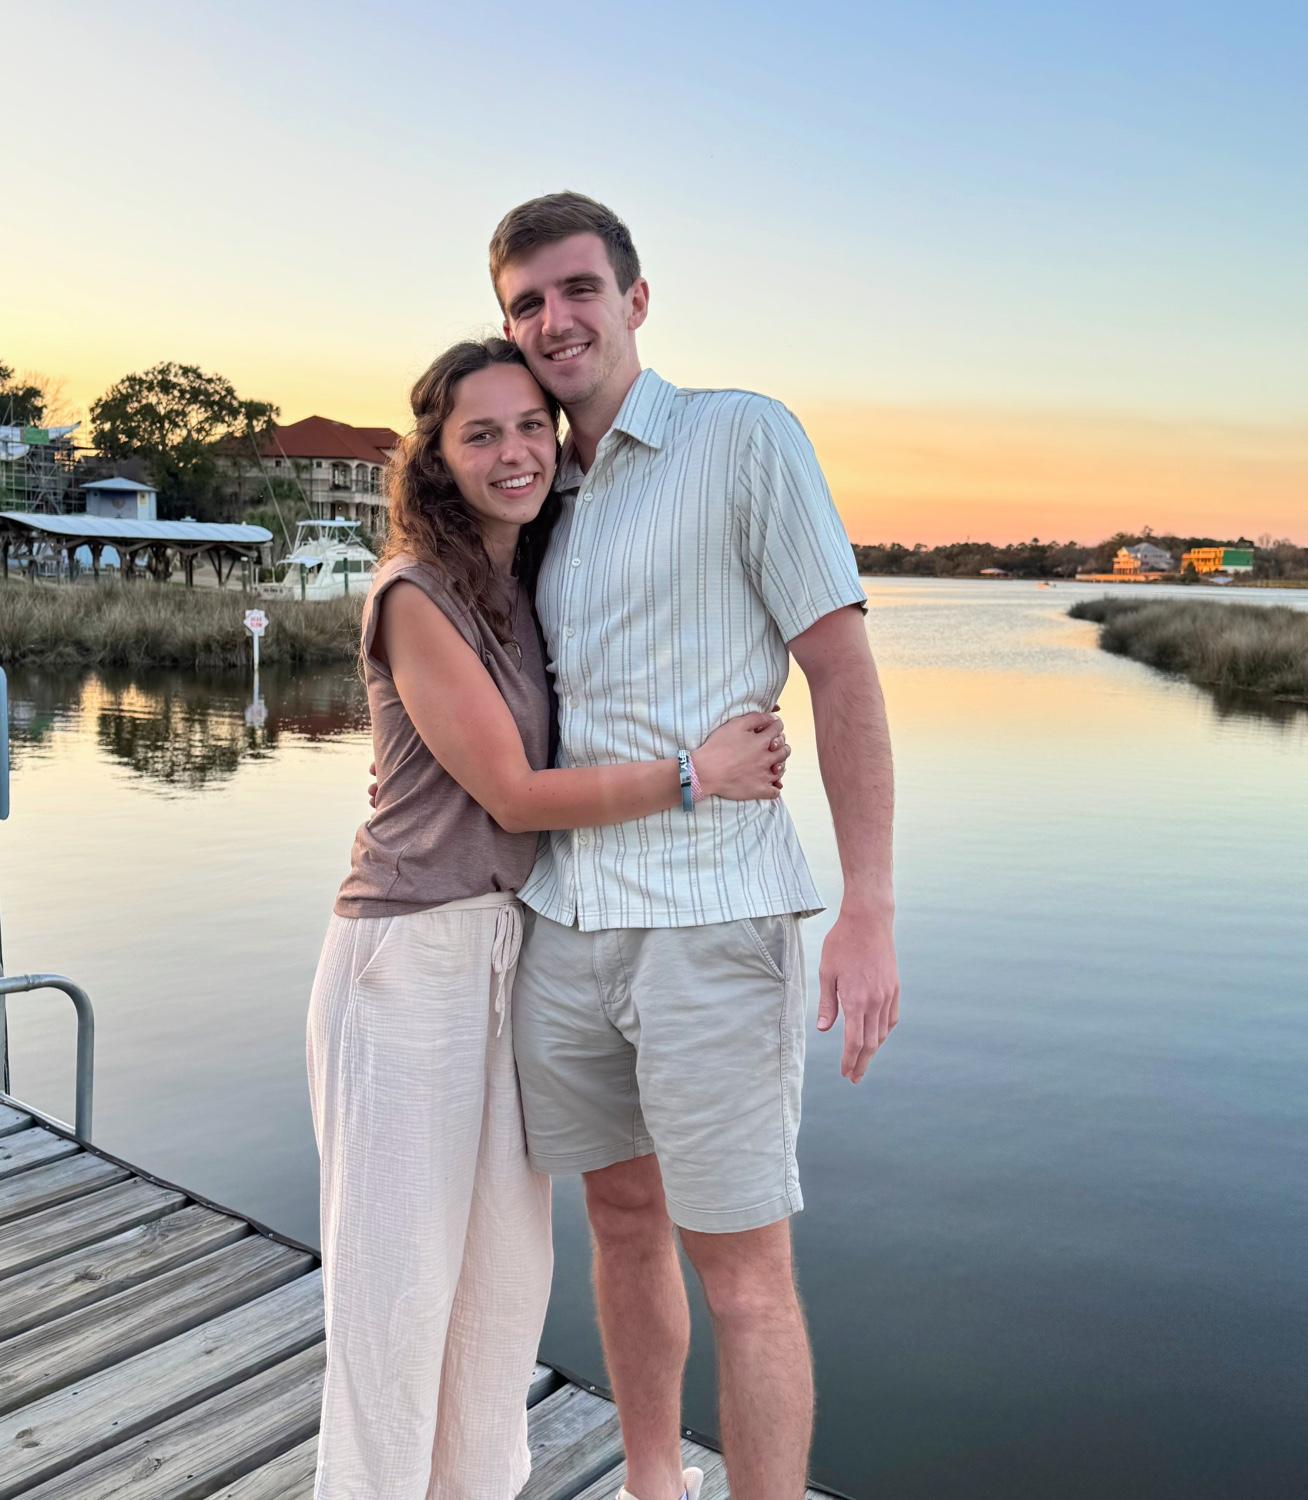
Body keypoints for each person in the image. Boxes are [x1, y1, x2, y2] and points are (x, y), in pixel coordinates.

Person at [307, 336, 793, 1500]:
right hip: (407, 957)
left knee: (500, 1285)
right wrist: (698, 775)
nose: (516, 451)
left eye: (532, 425)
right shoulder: (417, 594)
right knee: (396, 1292)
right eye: (482, 434)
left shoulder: (518, 584)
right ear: (437, 457)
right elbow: (516, 796)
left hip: (506, 948)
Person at [488, 193, 901, 1500]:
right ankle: (652, 1481)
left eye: (577, 289)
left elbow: (841, 672)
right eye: (525, 303)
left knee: (746, 1272)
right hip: (567, 926)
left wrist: (869, 906)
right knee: (620, 1224)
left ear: (636, 299)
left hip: (714, 921)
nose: (554, 320)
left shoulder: (741, 438)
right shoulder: (537, 490)